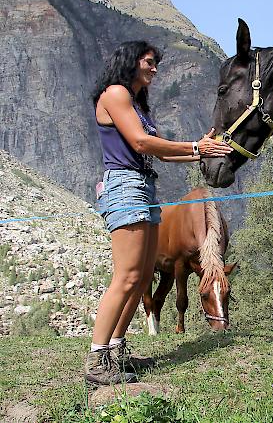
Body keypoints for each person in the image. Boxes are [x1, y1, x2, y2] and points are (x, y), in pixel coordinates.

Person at [85, 41, 232, 387]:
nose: (155, 69)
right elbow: (140, 143)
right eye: (150, 62)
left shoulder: (137, 105)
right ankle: (96, 360)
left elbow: (163, 153)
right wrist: (197, 147)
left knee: (140, 278)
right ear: (131, 61)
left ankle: (117, 350)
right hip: (125, 187)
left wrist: (200, 151)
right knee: (126, 276)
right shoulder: (116, 94)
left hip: (144, 188)